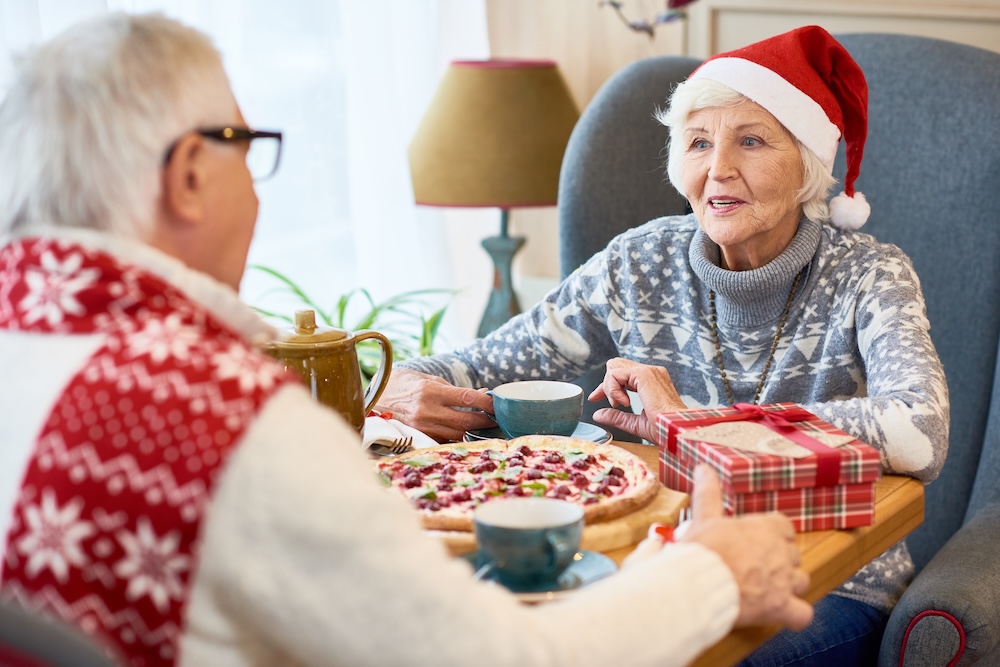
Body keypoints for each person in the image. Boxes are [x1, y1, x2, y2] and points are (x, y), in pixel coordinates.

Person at [0, 12, 813, 667]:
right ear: (186, 175)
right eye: (247, 149)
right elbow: (509, 656)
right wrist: (714, 571)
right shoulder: (230, 423)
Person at [380, 25, 949, 667]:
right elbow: (488, 363)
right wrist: (392, 385)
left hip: (828, 579)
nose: (718, 169)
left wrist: (695, 424)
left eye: (752, 141)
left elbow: (919, 433)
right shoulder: (640, 261)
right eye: (698, 142)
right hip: (663, 561)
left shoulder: (870, 274)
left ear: (808, 168)